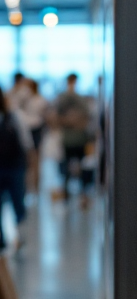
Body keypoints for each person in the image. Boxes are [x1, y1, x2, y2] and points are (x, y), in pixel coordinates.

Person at [0, 84, 31, 250]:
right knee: (18, 201)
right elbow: (25, 142)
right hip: (14, 166)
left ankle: (0, 236)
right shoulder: (14, 116)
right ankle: (20, 235)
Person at [54, 73, 93, 206]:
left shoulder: (81, 99)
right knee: (65, 168)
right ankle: (66, 194)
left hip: (80, 139)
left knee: (83, 166)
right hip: (67, 140)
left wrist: (76, 122)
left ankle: (83, 194)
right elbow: (57, 118)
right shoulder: (62, 98)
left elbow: (86, 118)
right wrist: (69, 121)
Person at [16, 78, 49, 193]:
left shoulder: (40, 100)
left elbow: (44, 117)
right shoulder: (24, 98)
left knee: (35, 159)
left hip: (36, 129)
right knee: (27, 160)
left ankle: (35, 186)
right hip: (26, 128)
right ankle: (28, 186)